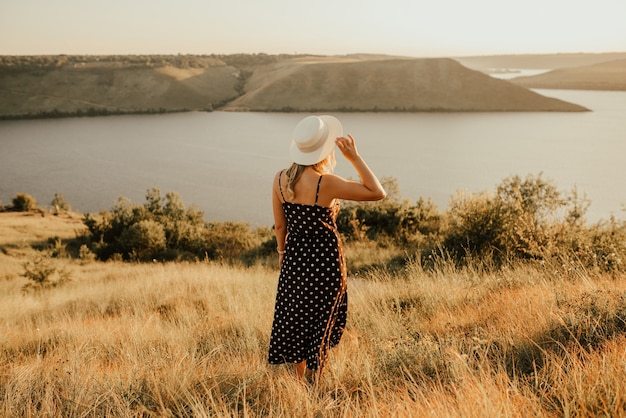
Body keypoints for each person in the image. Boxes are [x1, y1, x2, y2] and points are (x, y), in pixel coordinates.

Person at [268, 115, 386, 383]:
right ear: (325, 150)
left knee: (296, 319)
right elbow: (377, 192)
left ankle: (297, 386)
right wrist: (354, 157)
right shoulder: (326, 182)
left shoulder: (279, 180)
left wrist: (282, 255)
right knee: (321, 323)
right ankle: (314, 384)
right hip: (325, 264)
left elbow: (279, 227)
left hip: (294, 261)